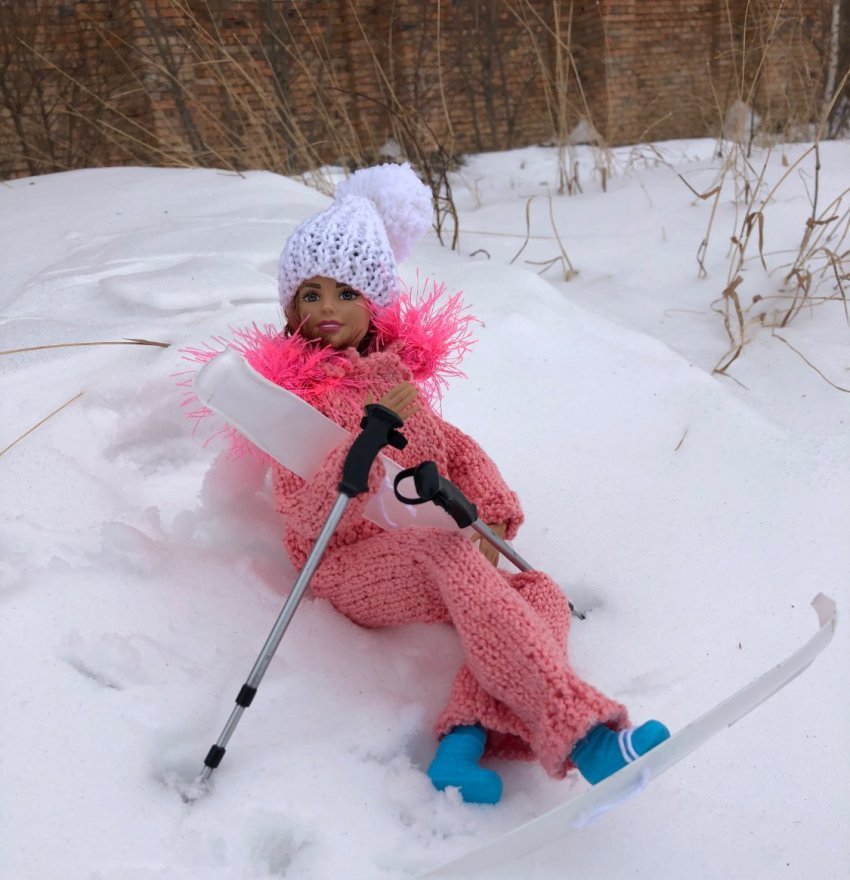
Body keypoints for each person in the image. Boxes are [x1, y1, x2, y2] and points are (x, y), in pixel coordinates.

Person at [190, 162, 669, 803]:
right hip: (344, 558)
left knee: (541, 590)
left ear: (375, 304)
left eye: (347, 293)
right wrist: (362, 440)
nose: (328, 309)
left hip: (420, 539)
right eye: (312, 294)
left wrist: (489, 513)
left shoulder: (394, 381)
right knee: (444, 552)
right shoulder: (298, 398)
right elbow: (307, 510)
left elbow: (459, 452)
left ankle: (463, 744)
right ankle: (587, 737)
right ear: (290, 308)